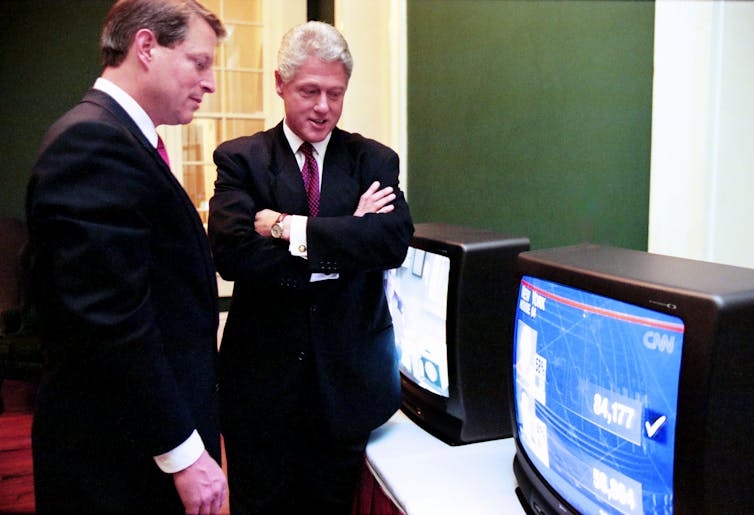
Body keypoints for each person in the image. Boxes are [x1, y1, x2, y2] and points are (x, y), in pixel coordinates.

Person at [25, 1, 228, 513]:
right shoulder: (93, 142)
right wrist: (183, 454)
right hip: (118, 458)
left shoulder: (122, 138)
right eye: (199, 63)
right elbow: (112, 323)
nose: (210, 84)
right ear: (146, 47)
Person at [208, 20, 414, 515]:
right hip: (260, 395)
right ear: (280, 84)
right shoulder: (241, 160)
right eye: (310, 91)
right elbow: (233, 253)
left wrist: (287, 229)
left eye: (336, 94)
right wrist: (349, 236)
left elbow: (391, 242)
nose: (324, 107)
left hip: (347, 390)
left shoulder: (373, 160)